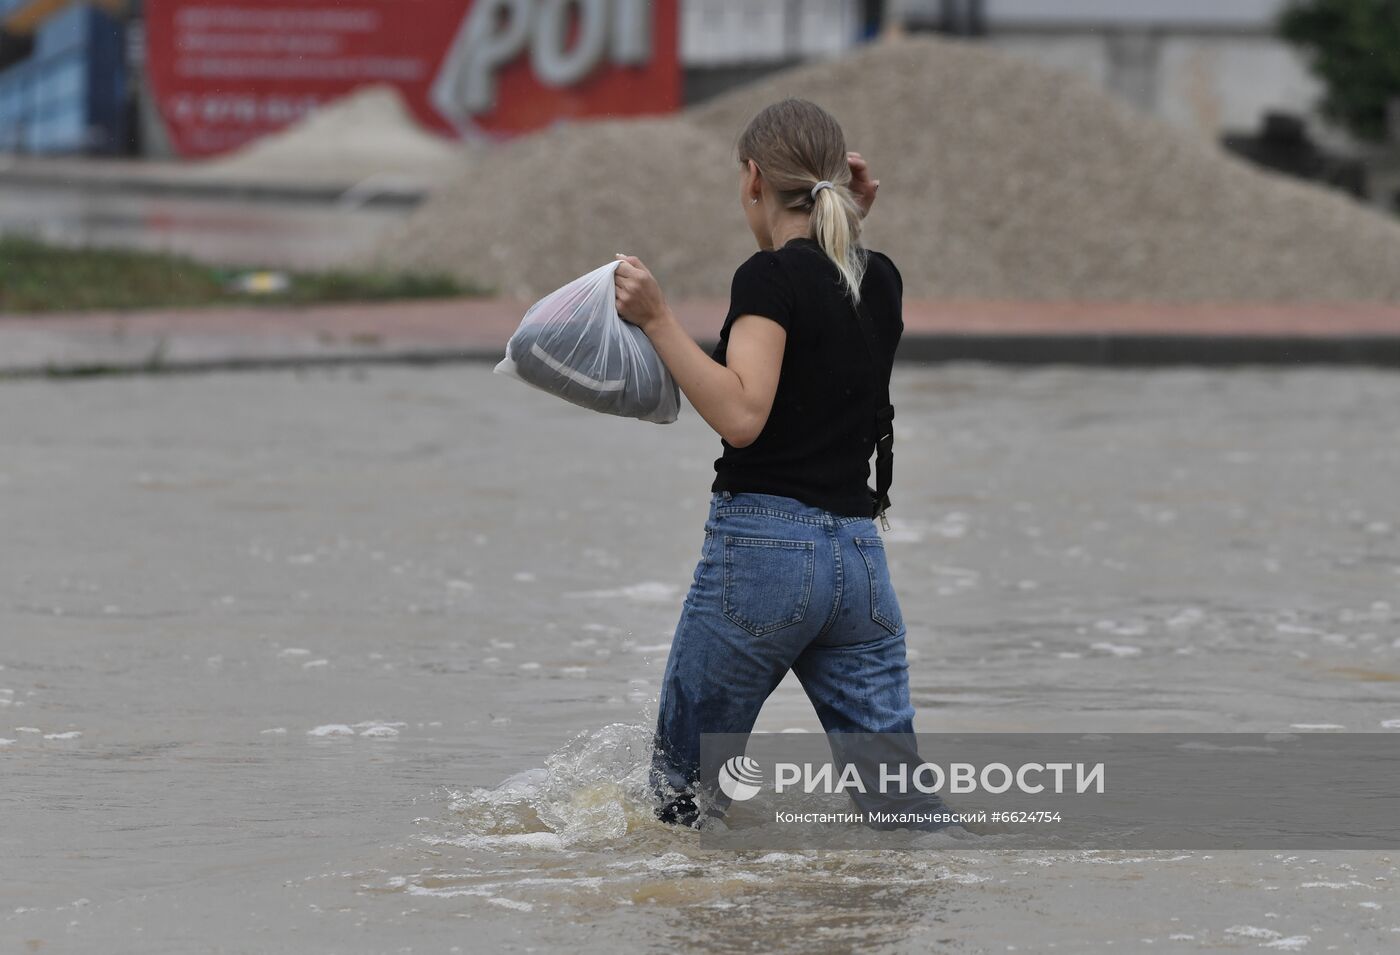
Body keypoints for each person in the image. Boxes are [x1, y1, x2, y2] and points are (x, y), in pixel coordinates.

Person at [612, 98, 938, 829]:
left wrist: (658, 319)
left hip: (764, 553)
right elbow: (839, 286)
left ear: (753, 177)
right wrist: (856, 218)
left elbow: (742, 414)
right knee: (905, 808)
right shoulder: (880, 277)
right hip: (858, 562)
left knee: (681, 797)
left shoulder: (767, 279)